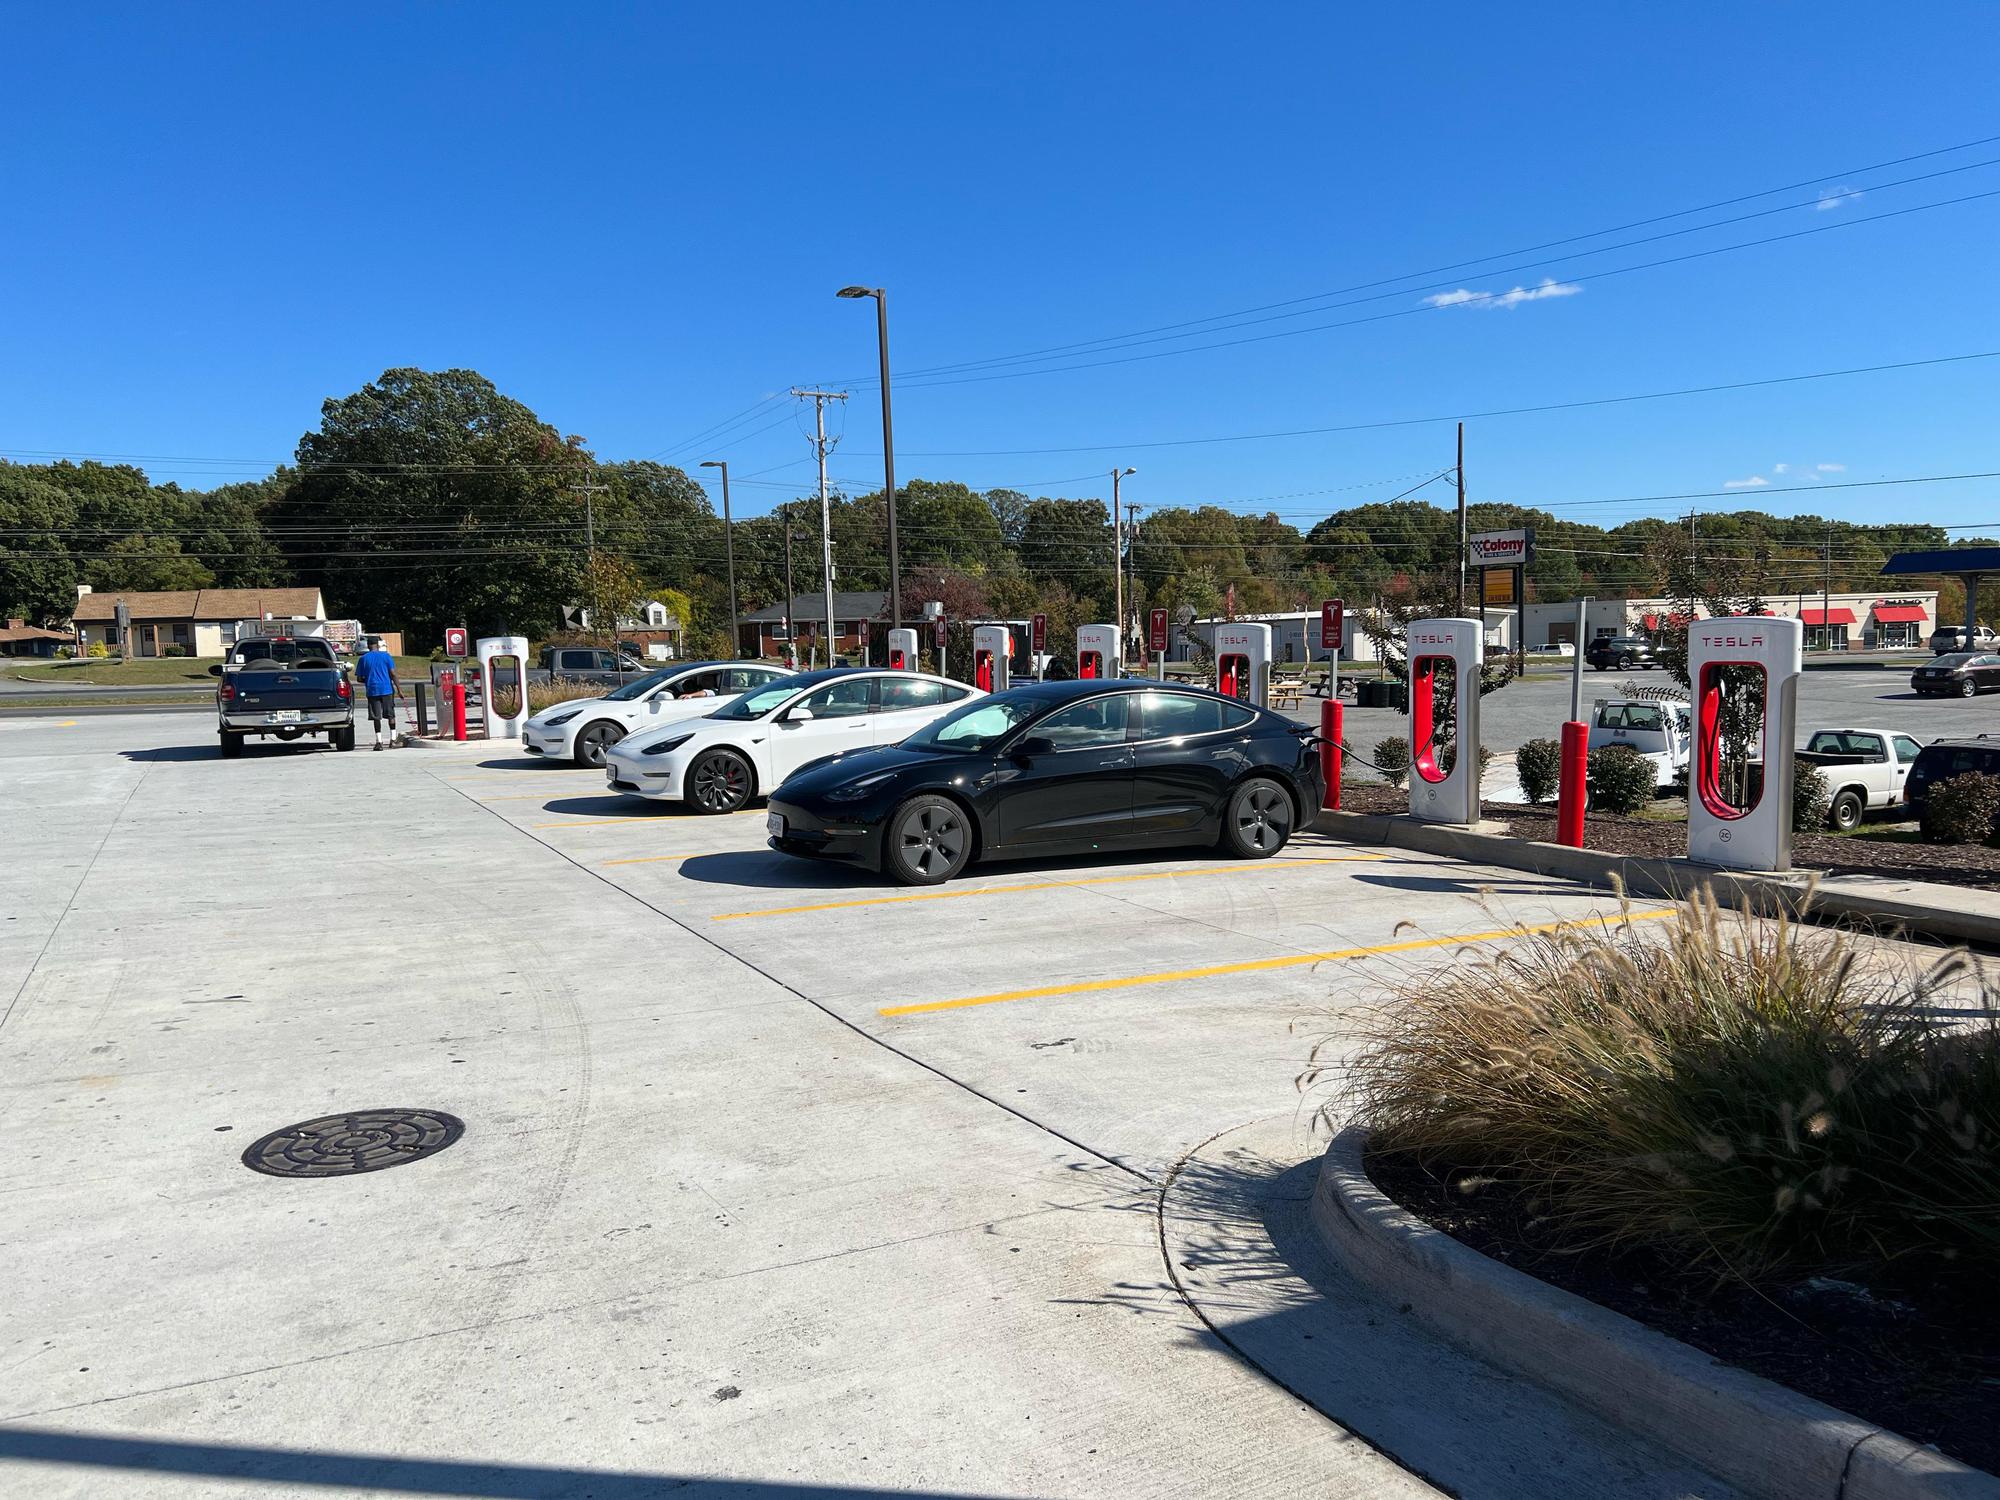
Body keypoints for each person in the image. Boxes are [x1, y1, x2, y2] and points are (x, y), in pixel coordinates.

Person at [355, 636, 400, 750]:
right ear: (378, 645)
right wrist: (399, 689)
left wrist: (369, 679)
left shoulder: (363, 659)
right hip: (387, 689)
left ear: (368, 645)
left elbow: (359, 678)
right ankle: (393, 740)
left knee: (376, 717)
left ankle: (379, 742)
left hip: (372, 690)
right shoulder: (386, 656)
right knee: (390, 715)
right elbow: (393, 674)